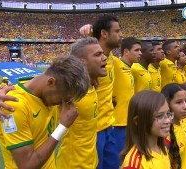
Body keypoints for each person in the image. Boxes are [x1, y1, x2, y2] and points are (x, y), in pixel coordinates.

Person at [0, 55, 90, 169]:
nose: (63, 104)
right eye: (62, 98)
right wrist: (62, 127)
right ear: (50, 82)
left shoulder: (45, 92)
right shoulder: (13, 106)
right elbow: (27, 165)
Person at [56, 37, 107, 169]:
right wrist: (0, 93)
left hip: (92, 162)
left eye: (102, 53)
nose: (104, 57)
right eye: (98, 54)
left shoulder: (90, 85)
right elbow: (35, 87)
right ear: (81, 62)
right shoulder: (69, 90)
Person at [80, 15, 123, 169]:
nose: (121, 34)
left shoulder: (111, 58)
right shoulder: (86, 60)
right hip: (93, 131)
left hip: (108, 126)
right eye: (117, 31)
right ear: (104, 34)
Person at [120, 91, 172, 169]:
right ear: (138, 121)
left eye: (168, 114)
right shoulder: (134, 164)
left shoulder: (163, 147)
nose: (168, 120)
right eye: (159, 116)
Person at [112, 37, 142, 158]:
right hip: (118, 123)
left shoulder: (130, 69)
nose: (140, 53)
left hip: (129, 121)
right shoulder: (116, 64)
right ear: (126, 52)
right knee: (119, 158)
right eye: (137, 50)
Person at [161, 83, 186, 169]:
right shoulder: (166, 134)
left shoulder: (183, 123)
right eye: (179, 102)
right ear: (167, 105)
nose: (185, 106)